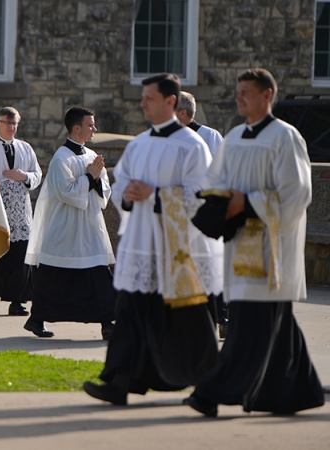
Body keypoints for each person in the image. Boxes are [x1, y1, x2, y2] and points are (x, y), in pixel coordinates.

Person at [184, 68, 325, 417]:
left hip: (271, 247)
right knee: (276, 324)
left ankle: (210, 393)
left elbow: (297, 193)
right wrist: (220, 204)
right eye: (238, 91)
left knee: (250, 327)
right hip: (240, 240)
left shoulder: (285, 137)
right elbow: (216, 180)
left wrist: (246, 203)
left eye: (246, 92)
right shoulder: (234, 137)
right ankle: (299, 392)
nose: (239, 97)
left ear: (267, 95)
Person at [83, 73, 222, 406]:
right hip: (142, 243)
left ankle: (210, 389)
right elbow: (120, 184)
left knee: (191, 322)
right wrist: (129, 194)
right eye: (142, 97)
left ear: (170, 101)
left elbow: (200, 196)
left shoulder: (193, 145)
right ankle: (118, 382)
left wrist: (156, 194)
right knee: (129, 312)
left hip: (180, 249)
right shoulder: (140, 142)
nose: (142, 103)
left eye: (149, 98)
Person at [23, 107, 116, 340]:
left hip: (90, 225)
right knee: (53, 276)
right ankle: (36, 319)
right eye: (90, 125)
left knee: (99, 273)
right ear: (77, 128)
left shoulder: (92, 155)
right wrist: (90, 177)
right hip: (66, 225)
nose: (94, 129)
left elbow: (104, 190)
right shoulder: (60, 159)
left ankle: (107, 322)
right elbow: (66, 193)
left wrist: (96, 179)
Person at [0, 107, 42, 316]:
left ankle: (17, 301)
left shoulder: (26, 148)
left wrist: (24, 176)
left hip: (21, 211)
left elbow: (37, 174)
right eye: (7, 123)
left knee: (21, 253)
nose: (11, 127)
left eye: (14, 123)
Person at [177, 91, 228, 337]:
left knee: (210, 266)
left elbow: (220, 174)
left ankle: (222, 317)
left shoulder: (210, 136)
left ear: (182, 113)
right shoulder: (169, 138)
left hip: (205, 214)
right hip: (179, 214)